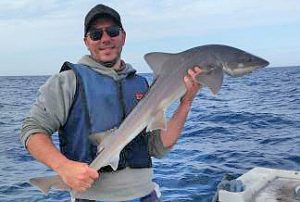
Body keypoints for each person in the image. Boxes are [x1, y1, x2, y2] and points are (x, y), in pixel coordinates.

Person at [20, 4, 202, 202]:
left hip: (146, 195)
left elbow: (158, 147)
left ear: (123, 36)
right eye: (96, 34)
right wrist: (63, 167)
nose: (105, 39)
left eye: (112, 32)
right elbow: (32, 130)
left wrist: (186, 101)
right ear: (86, 41)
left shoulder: (141, 84)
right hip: (93, 197)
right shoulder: (67, 81)